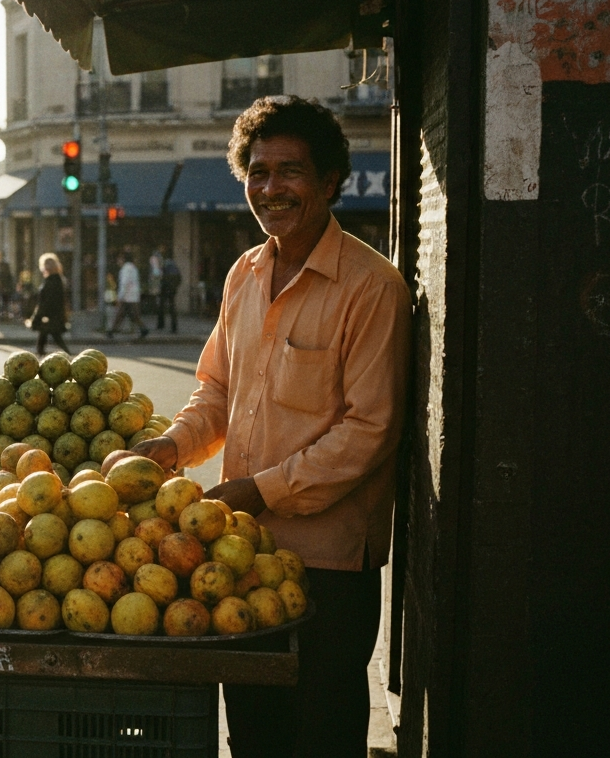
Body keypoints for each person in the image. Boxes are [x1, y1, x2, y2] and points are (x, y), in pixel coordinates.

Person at [131, 97, 410, 758]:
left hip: (329, 567)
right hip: (240, 553)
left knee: (320, 733)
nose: (270, 189)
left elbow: (369, 430)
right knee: (253, 730)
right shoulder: (244, 274)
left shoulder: (371, 288)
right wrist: (174, 446)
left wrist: (257, 490)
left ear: (329, 181)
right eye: (258, 172)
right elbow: (219, 389)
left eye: (290, 172)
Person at [29, 252, 70, 355]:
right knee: (47, 336)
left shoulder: (52, 281)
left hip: (51, 315)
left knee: (53, 336)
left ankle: (68, 357)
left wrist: (37, 317)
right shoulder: (56, 279)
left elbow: (45, 302)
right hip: (53, 315)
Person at [106, 250, 147, 340]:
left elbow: (124, 284)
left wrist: (120, 297)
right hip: (133, 296)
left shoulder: (125, 269)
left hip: (127, 297)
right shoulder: (133, 268)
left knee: (120, 315)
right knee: (131, 315)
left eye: (120, 259)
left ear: (124, 259)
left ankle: (111, 332)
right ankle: (143, 329)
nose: (118, 261)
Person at [157, 249, 181, 333]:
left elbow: (162, 276)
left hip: (166, 286)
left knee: (161, 305)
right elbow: (179, 278)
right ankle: (174, 327)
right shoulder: (174, 266)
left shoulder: (165, 264)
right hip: (173, 288)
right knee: (172, 307)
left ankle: (160, 324)